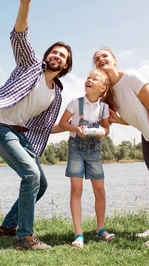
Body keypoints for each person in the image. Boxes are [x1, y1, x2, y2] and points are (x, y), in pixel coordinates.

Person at [0, 0, 73, 251]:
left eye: (62, 56)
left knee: (40, 183)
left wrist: (68, 127)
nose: (56, 56)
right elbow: (19, 35)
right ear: (47, 55)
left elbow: (43, 127)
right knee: (30, 176)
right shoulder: (30, 65)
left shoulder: (56, 92)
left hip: (20, 135)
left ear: (66, 66)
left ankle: (9, 226)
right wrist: (25, 4)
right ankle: (25, 237)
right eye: (54, 52)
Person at [93, 47, 149, 247]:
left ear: (115, 60)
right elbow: (135, 115)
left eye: (104, 56)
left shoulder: (132, 77)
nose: (101, 59)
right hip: (148, 133)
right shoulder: (109, 93)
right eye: (96, 59)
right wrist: (117, 120)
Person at [52, 69, 115, 248]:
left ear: (103, 88)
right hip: (76, 149)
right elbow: (63, 123)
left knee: (100, 190)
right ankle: (78, 233)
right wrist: (75, 129)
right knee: (76, 191)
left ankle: (101, 228)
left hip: (94, 150)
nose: (89, 80)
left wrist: (104, 132)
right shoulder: (75, 102)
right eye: (88, 77)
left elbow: (106, 128)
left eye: (94, 79)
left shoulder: (103, 108)